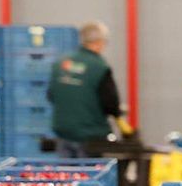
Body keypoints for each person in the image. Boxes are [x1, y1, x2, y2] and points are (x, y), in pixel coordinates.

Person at [47, 21, 134, 157]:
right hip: (91, 136)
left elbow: (51, 95)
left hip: (63, 133)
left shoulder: (61, 63)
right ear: (99, 42)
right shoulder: (100, 67)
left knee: (69, 175)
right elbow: (111, 104)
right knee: (89, 175)